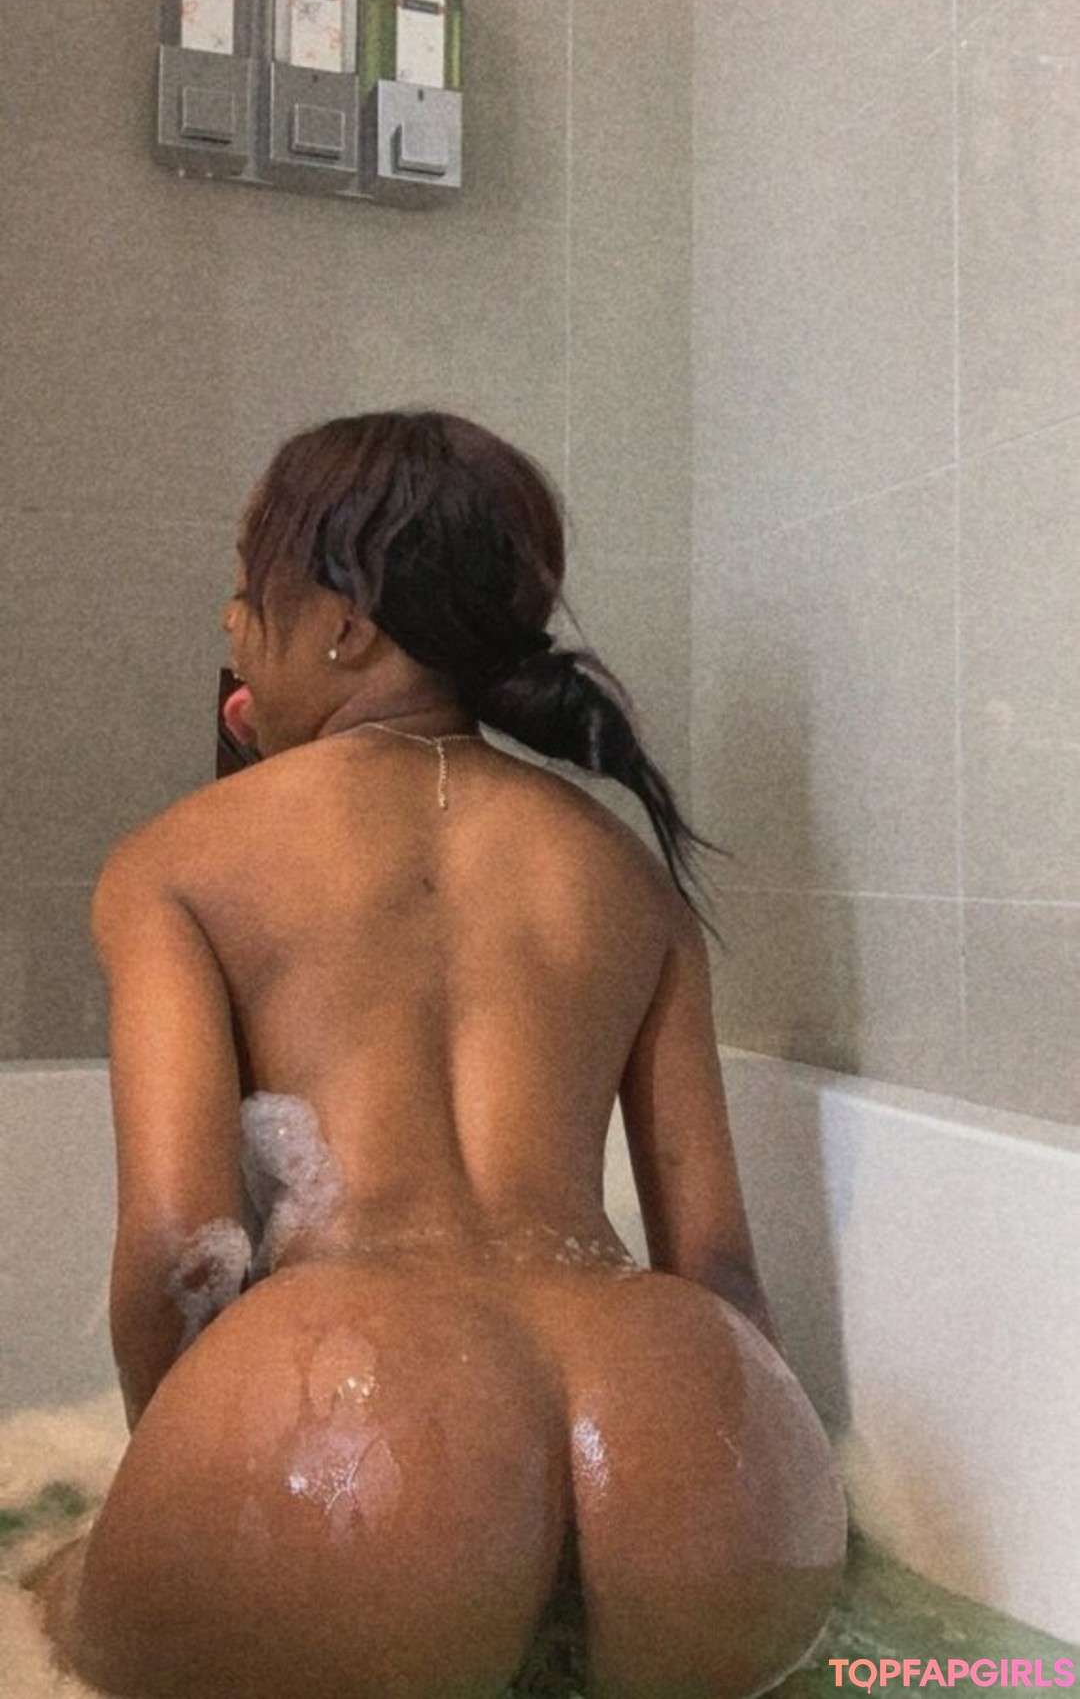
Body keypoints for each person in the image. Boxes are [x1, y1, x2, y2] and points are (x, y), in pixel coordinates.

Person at [37, 411, 845, 1699]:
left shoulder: (181, 858)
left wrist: (180, 1483)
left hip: (355, 1438)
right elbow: (718, 1264)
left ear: (347, 623)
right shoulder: (628, 876)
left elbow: (181, 1247)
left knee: (46, 1592)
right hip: (695, 1442)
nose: (233, 625)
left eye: (248, 591)